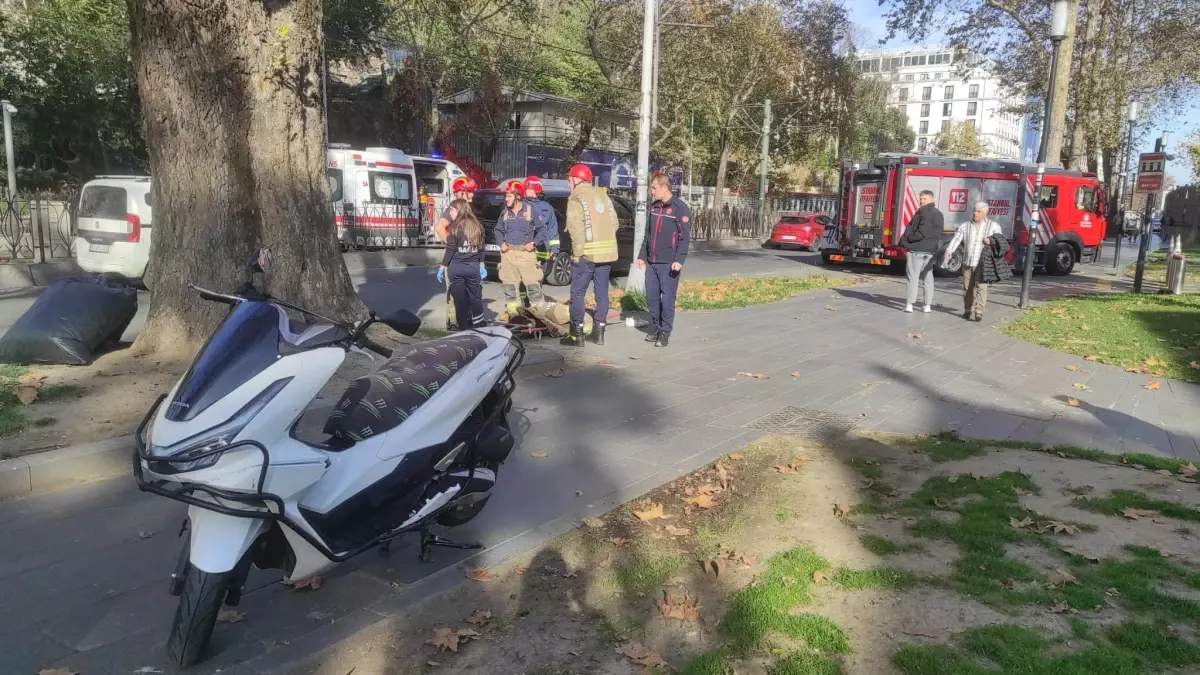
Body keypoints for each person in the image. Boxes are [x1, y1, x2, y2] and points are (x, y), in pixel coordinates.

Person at [563, 164, 619, 347]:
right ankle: (599, 333)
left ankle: (576, 335)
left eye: (569, 179)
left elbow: (576, 230)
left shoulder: (576, 198)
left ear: (575, 179)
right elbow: (615, 224)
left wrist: (577, 255)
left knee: (577, 293)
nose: (568, 183)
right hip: (607, 253)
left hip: (586, 255)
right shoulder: (603, 196)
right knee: (601, 293)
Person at [637, 173, 691, 347]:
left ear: (665, 187)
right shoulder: (654, 208)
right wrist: (641, 256)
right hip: (652, 262)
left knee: (667, 298)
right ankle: (657, 326)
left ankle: (665, 331)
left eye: (654, 187)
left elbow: (684, 237)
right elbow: (648, 234)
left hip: (669, 263)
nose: (652, 192)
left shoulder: (679, 208)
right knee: (652, 297)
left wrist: (679, 259)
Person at [943, 201, 1003, 322]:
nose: (975, 213)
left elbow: (1000, 240)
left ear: (985, 212)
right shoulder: (965, 226)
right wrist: (949, 251)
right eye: (974, 211)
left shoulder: (993, 226)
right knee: (967, 288)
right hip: (968, 262)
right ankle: (967, 309)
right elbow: (957, 239)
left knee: (981, 287)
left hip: (983, 263)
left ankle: (979, 311)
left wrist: (991, 240)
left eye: (978, 211)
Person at [494, 179, 546, 317]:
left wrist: (534, 243)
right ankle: (515, 317)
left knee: (533, 288)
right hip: (508, 255)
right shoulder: (505, 212)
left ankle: (540, 316)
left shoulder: (530, 209)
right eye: (506, 196)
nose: (506, 199)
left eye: (509, 196)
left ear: (517, 196)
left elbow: (542, 230)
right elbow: (498, 230)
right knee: (510, 289)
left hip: (526, 255)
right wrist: (501, 243)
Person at [437, 198, 487, 329]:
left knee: (459, 300)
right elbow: (481, 247)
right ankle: (479, 325)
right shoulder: (477, 225)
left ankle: (464, 327)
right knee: (475, 298)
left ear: (459, 210)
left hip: (457, 267)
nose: (450, 213)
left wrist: (442, 267)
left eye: (452, 210)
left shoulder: (454, 227)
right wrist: (482, 265)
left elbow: (450, 249)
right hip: (473, 267)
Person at [899, 189, 944, 314]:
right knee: (928, 277)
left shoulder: (923, 212)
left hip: (917, 249)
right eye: (921, 198)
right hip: (930, 251)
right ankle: (927, 305)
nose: (921, 201)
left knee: (913, 276)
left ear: (931, 199)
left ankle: (909, 304)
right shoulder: (939, 214)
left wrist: (909, 239)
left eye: (924, 198)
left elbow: (922, 231)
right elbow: (939, 232)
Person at [524, 175, 561, 275]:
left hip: (542, 252)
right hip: (525, 252)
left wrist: (555, 249)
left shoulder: (547, 208)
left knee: (537, 282)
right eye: (526, 188)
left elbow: (552, 229)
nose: (526, 191)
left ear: (536, 190)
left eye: (529, 189)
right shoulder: (521, 205)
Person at [434, 176, 477, 242]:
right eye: (469, 191)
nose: (472, 194)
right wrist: (452, 246)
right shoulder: (455, 207)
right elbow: (439, 227)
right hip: (459, 251)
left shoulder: (469, 206)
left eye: (472, 191)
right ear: (460, 193)